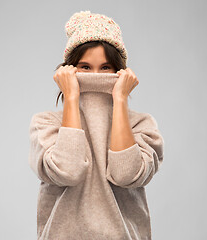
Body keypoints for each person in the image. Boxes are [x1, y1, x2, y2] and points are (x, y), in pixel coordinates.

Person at [28, 10, 165, 240]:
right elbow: (68, 171)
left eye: (105, 68)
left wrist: (120, 99)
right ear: (69, 71)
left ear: (119, 72)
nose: (95, 76)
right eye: (84, 67)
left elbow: (125, 175)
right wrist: (71, 97)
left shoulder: (141, 125)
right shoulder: (46, 124)